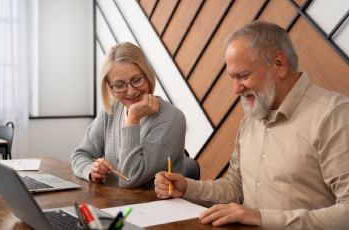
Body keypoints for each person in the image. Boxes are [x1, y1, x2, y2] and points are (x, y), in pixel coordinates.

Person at [154, 21, 349, 229]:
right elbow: (235, 187)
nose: (236, 89)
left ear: (279, 64)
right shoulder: (251, 118)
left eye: (243, 75)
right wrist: (187, 188)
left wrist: (261, 218)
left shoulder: (334, 115)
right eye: (232, 78)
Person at [72, 42, 186, 189]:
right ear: (109, 88)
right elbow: (81, 154)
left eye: (137, 80)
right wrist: (91, 170)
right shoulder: (112, 110)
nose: (131, 92)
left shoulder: (172, 118)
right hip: (114, 204)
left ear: (148, 75)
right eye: (119, 85)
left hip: (152, 206)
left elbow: (130, 178)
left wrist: (133, 118)